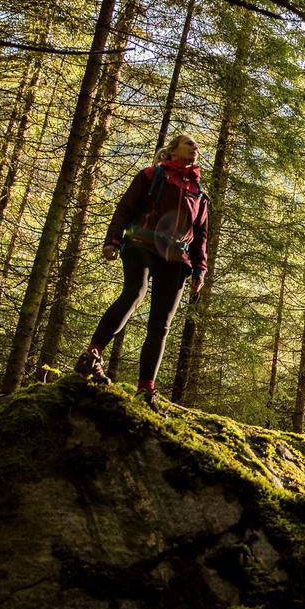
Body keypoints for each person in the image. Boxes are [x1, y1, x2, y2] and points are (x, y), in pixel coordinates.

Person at [74, 134, 209, 410]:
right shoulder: (151, 175)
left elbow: (200, 236)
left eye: (196, 146)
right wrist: (112, 239)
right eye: (189, 143)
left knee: (161, 324)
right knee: (135, 293)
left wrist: (199, 270)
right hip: (141, 243)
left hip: (176, 257)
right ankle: (92, 355)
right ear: (172, 151)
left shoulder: (199, 192)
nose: (195, 148)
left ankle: (146, 389)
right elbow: (126, 208)